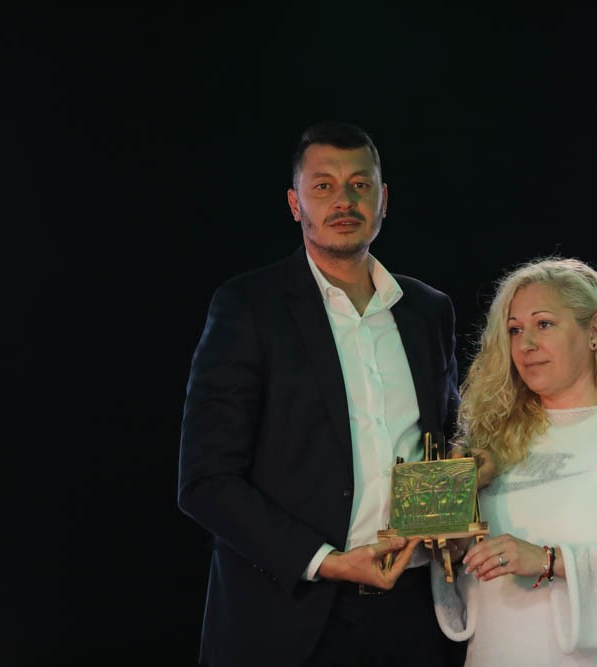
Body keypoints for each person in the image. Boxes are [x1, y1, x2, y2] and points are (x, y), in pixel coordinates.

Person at [178, 121, 461, 666]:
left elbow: (441, 447)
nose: (344, 201)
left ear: (383, 200)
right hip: (290, 615)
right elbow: (206, 481)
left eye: (360, 184)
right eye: (323, 185)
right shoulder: (248, 307)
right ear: (295, 203)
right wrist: (328, 561)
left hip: (415, 613)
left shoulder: (428, 311)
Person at [431, 257, 597, 666]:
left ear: (595, 331)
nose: (525, 344)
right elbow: (461, 574)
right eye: (514, 330)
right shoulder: (490, 442)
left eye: (544, 324)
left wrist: (549, 559)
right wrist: (450, 546)